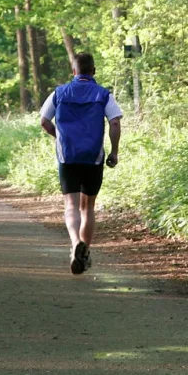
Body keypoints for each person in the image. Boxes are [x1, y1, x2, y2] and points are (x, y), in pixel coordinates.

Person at [39, 52, 122, 275]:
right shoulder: (104, 94)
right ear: (93, 71)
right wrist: (114, 152)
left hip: (68, 157)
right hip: (93, 157)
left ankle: (76, 244)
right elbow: (114, 123)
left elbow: (44, 121)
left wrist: (60, 137)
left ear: (73, 71)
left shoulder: (59, 93)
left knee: (71, 206)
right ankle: (84, 253)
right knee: (88, 208)